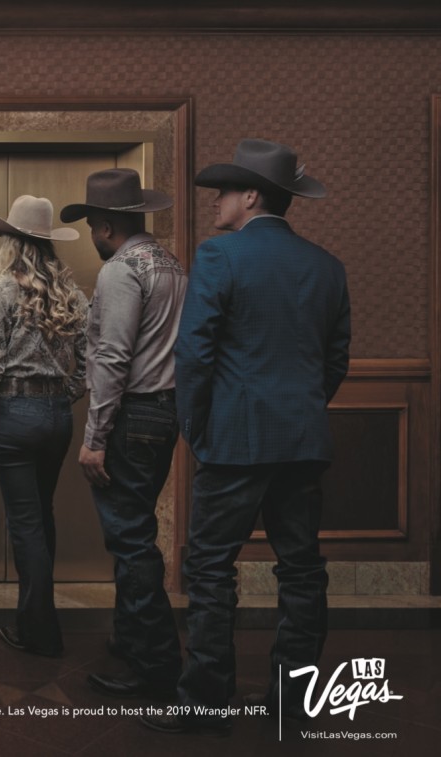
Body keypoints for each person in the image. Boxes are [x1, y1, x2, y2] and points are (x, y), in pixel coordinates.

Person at [141, 139, 350, 735]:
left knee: (209, 569)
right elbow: (335, 361)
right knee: (303, 571)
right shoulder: (327, 267)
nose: (216, 202)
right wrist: (303, 411)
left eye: (224, 191)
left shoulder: (220, 257)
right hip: (303, 440)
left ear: (252, 195)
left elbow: (195, 350)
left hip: (234, 440)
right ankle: (294, 703)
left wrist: (196, 428)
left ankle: (206, 701)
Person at [59, 169, 186, 699]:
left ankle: (153, 664)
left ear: (106, 224)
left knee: (132, 543)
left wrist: (94, 436)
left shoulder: (119, 271)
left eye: (92, 224)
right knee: (134, 531)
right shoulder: (172, 265)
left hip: (131, 417)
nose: (91, 235)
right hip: (165, 412)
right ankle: (131, 639)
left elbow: (112, 357)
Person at [0, 195, 88, 657]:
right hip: (56, 418)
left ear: (11, 242)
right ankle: (32, 617)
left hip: (13, 417)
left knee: (25, 523)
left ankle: (39, 629)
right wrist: (69, 391)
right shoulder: (72, 294)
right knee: (42, 516)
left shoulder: (2, 289)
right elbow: (92, 359)